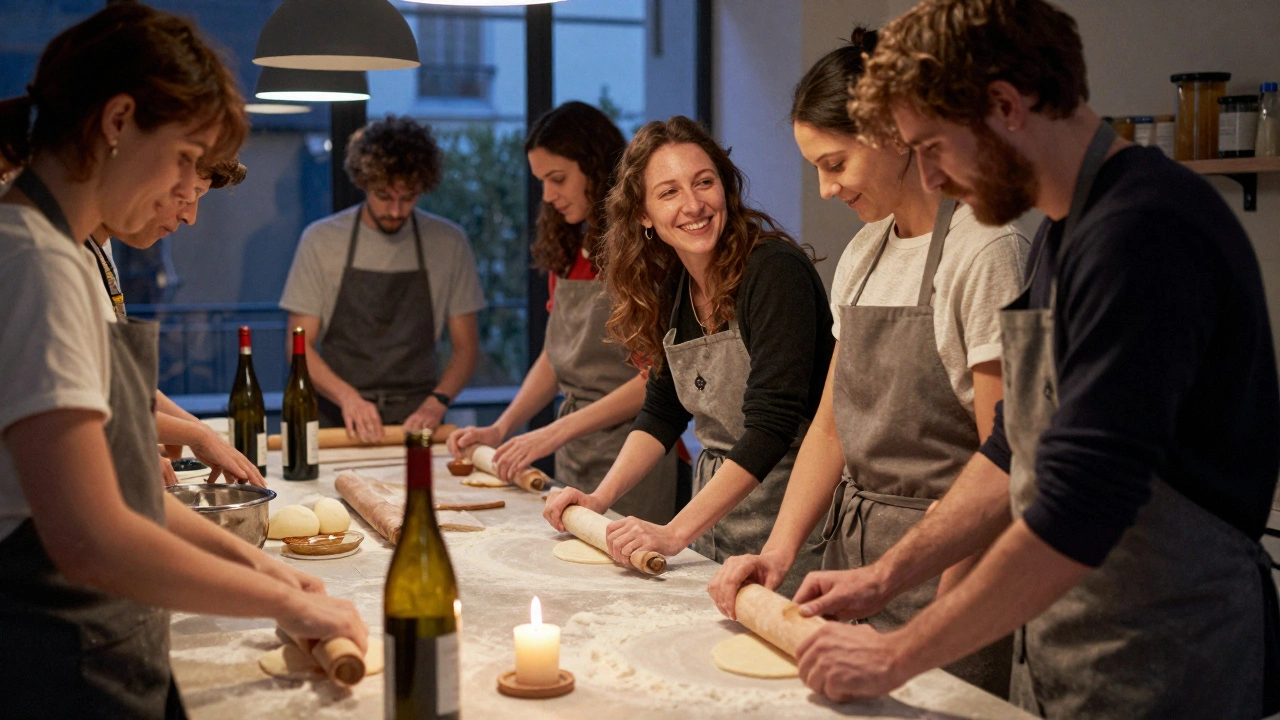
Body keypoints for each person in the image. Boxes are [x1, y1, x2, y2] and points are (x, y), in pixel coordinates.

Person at [787, 1, 1280, 717]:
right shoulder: (1063, 231)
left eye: (932, 146)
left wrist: (900, 651)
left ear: (1006, 104)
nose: (928, 178)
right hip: (1064, 647)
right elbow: (1012, 448)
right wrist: (883, 580)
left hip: (1169, 655)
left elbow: (1086, 498)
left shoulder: (1143, 230)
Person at [0, 6, 366, 717]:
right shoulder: (31, 260)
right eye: (187, 159)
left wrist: (270, 575)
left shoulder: (58, 256)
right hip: (59, 663)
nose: (191, 196)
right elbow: (91, 537)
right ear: (117, 121)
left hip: (96, 647)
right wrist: (283, 601)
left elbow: (130, 498)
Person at [706, 27, 1027, 698]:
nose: (824, 190)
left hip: (950, 572)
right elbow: (829, 427)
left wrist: (941, 622)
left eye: (835, 163)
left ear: (891, 134)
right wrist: (780, 551)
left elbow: (1002, 460)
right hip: (850, 567)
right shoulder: (861, 256)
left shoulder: (985, 250)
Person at [543, 116, 834, 594]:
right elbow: (661, 411)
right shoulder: (674, 286)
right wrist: (599, 499)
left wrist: (675, 530)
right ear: (642, 214)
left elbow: (771, 428)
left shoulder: (774, 274)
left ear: (726, 188)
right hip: (714, 529)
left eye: (704, 183)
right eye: (669, 192)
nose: (694, 205)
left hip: (794, 534)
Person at [449, 102, 680, 522]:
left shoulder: (649, 254)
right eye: (541, 182)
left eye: (557, 179)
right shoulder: (572, 249)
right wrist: (501, 429)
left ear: (595, 167)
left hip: (639, 455)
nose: (548, 196)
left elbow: (658, 383)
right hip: (577, 453)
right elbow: (556, 358)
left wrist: (551, 433)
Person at [280, 116, 486, 439]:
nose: (395, 210)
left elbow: (466, 349)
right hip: (338, 422)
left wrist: (437, 403)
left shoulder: (448, 243)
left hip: (417, 422)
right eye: (384, 196)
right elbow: (298, 346)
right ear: (362, 182)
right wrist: (348, 398)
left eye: (408, 197)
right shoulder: (321, 240)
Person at [85, 157, 263, 487]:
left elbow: (117, 380)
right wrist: (193, 434)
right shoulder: (55, 253)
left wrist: (199, 431)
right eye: (188, 195)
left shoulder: (99, 247)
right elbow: (88, 399)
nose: (189, 217)